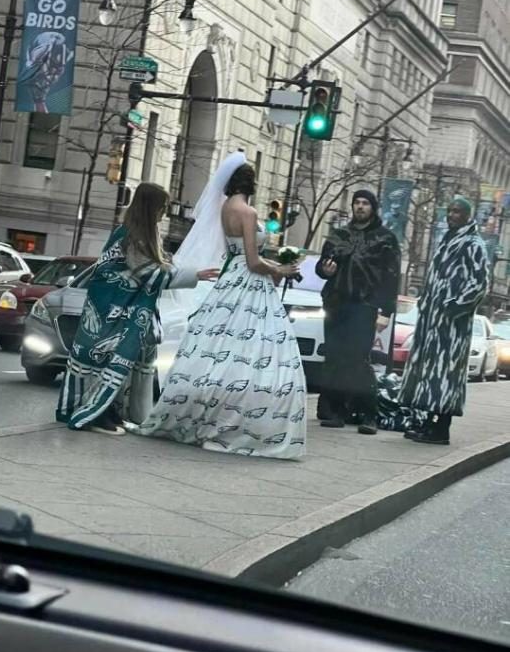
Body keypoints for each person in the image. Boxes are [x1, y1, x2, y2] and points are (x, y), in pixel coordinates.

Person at [138, 155, 307, 459]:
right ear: (250, 183)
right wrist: (280, 269)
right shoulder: (248, 212)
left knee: (217, 347)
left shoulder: (225, 208)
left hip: (229, 279)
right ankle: (237, 418)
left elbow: (239, 255)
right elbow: (253, 262)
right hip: (249, 284)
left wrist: (272, 264)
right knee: (254, 350)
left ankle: (202, 407)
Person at [56, 183, 217, 436]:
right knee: (107, 362)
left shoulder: (135, 233)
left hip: (114, 309)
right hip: (111, 312)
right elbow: (148, 272)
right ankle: (95, 414)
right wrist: (194, 275)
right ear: (150, 207)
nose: (165, 212)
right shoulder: (133, 237)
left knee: (112, 362)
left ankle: (110, 411)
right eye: (162, 207)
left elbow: (148, 270)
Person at [399, 197, 488, 446]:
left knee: (446, 374)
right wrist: (426, 303)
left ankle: (442, 428)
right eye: (449, 211)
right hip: (432, 323)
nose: (451, 215)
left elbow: (480, 283)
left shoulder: (473, 244)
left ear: (468, 216)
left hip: (452, 326)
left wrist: (454, 307)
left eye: (457, 211)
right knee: (429, 373)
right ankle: (428, 422)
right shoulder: (446, 241)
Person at [316, 189, 401, 435]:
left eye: (365, 203)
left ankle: (368, 413)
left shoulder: (385, 239)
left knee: (359, 360)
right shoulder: (339, 235)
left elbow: (391, 277)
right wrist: (325, 270)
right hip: (336, 303)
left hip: (365, 305)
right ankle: (336, 411)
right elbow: (323, 265)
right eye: (357, 203)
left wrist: (386, 310)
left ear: (373, 208)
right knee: (334, 357)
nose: (360, 207)